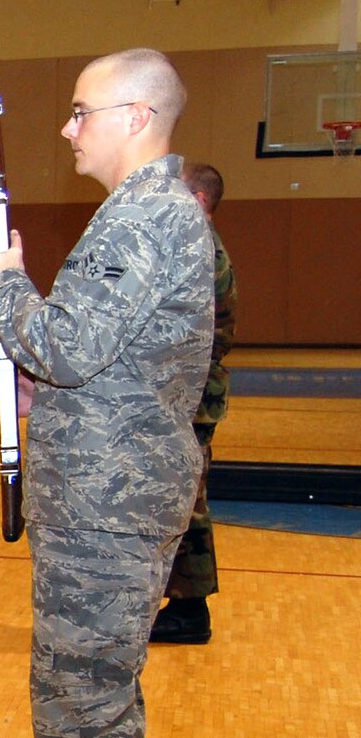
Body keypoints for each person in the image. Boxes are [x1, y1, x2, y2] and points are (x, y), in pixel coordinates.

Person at [0, 48, 213, 738]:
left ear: (137, 117)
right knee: (86, 689)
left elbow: (66, 345)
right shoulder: (142, 215)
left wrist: (2, 287)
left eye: (82, 112)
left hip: (111, 503)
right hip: (108, 491)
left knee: (83, 695)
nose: (68, 129)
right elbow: (101, 360)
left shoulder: (144, 221)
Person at [151, 161, 236, 645]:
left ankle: (190, 608)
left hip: (193, 392)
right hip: (191, 388)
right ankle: (183, 602)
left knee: (188, 498)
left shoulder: (201, 253)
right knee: (183, 494)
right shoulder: (195, 249)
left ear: (198, 202)